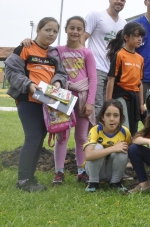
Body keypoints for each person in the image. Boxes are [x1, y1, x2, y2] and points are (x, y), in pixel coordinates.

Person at [4, 17, 69, 192]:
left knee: (39, 139)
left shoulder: (54, 53)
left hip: (47, 103)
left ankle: (29, 177)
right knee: (33, 137)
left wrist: (57, 83)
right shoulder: (24, 48)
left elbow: (61, 73)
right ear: (38, 30)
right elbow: (11, 71)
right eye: (48, 30)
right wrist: (29, 86)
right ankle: (23, 181)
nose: (51, 34)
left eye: (55, 31)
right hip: (28, 101)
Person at [53, 16, 97, 184]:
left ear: (83, 31)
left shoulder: (87, 53)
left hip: (82, 98)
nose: (75, 32)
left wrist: (90, 102)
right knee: (62, 136)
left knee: (81, 137)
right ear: (65, 29)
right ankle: (59, 171)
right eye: (72, 28)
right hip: (63, 97)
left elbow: (93, 79)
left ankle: (82, 171)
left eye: (79, 29)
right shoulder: (57, 51)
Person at [83, 0, 127, 116]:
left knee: (108, 108)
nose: (119, 1)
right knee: (96, 107)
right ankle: (93, 129)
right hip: (96, 68)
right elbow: (82, 38)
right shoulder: (96, 15)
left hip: (112, 73)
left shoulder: (124, 24)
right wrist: (84, 62)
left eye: (122, 0)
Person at [105, 22, 146, 135]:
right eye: (136, 35)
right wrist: (108, 103)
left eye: (141, 36)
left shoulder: (140, 58)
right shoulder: (120, 55)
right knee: (124, 128)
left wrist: (141, 104)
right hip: (120, 95)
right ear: (126, 37)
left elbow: (140, 82)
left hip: (134, 98)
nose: (139, 39)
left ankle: (131, 147)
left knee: (133, 130)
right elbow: (111, 79)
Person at [83, 99, 132, 192]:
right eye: (108, 115)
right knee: (97, 147)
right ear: (102, 117)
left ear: (121, 117)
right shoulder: (95, 130)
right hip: (95, 171)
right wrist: (114, 148)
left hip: (111, 172)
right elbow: (88, 155)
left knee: (123, 149)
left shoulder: (125, 132)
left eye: (116, 115)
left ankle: (116, 182)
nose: (112, 119)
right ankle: (93, 183)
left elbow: (130, 150)